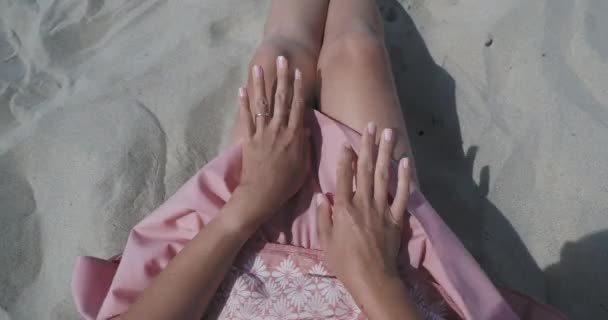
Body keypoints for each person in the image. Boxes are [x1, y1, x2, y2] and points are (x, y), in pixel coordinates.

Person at [71, 1, 567, 319]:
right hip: (382, 276)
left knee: (277, 59)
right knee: (356, 54)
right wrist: (377, 281)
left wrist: (246, 204)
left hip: (239, 263)